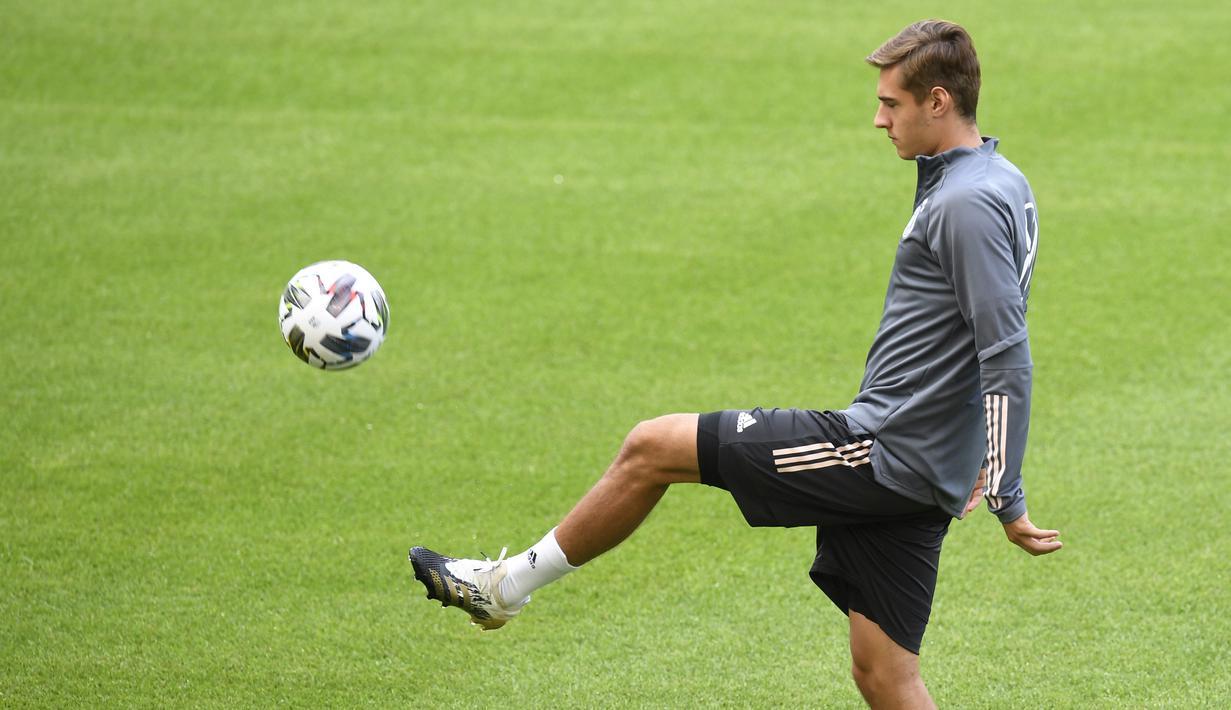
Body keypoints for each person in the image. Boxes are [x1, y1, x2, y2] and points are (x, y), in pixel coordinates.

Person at [408, 19, 1061, 709]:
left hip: (883, 452)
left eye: (890, 104)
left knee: (651, 446)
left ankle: (502, 589)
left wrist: (1005, 491)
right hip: (924, 461)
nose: (876, 119)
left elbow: (1004, 351)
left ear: (937, 101)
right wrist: (971, 454)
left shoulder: (964, 203)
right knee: (883, 675)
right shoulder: (997, 178)